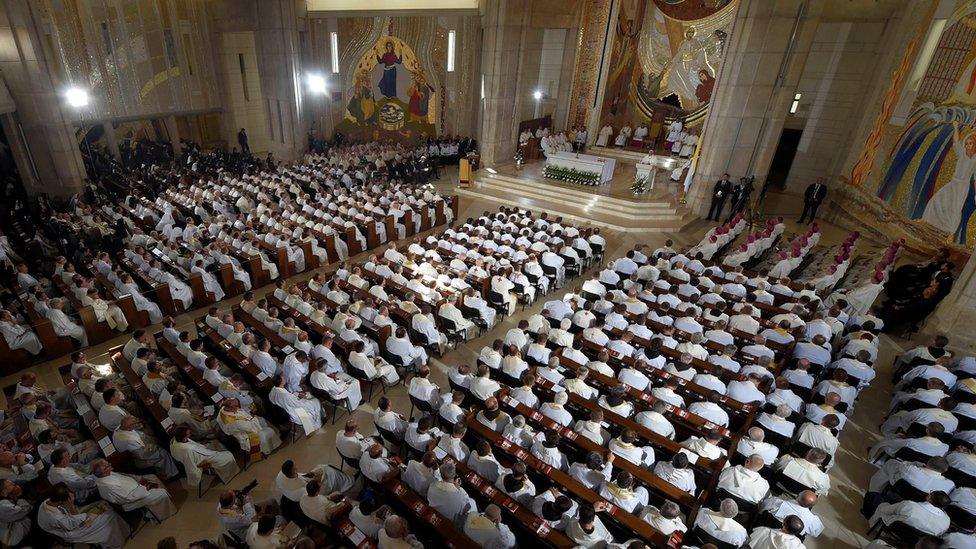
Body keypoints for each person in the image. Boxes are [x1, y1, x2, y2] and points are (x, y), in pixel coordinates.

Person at [37, 483, 131, 549]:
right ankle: (116, 542)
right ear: (62, 501)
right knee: (109, 515)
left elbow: (71, 516)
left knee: (101, 503)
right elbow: (73, 524)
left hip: (67, 522)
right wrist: (71, 505)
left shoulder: (47, 502)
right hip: (70, 532)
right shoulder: (55, 517)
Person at [92, 459, 177, 521]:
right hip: (132, 501)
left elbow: (126, 476)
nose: (110, 464)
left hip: (137, 488)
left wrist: (140, 479)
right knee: (161, 493)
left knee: (152, 477)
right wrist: (146, 488)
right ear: (104, 471)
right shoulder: (108, 486)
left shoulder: (108, 474)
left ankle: (164, 502)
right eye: (108, 465)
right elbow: (127, 497)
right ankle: (162, 513)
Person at [169, 426, 240, 487]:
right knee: (228, 455)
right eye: (188, 433)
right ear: (183, 436)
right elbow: (190, 462)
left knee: (215, 445)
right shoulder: (187, 449)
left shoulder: (174, 441)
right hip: (202, 460)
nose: (190, 434)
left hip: (198, 453)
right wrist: (202, 467)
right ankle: (228, 475)